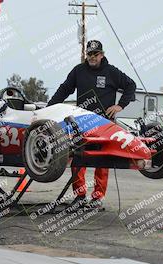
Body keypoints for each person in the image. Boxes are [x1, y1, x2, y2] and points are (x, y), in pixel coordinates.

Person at [47, 40, 136, 209]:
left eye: (96, 54)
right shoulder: (78, 71)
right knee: (78, 159)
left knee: (102, 162)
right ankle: (80, 196)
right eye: (89, 54)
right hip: (82, 123)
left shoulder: (112, 72)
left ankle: (98, 197)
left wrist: (120, 106)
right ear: (86, 55)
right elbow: (64, 89)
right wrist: (49, 108)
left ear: (102, 54)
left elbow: (131, 85)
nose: (92, 58)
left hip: (105, 124)